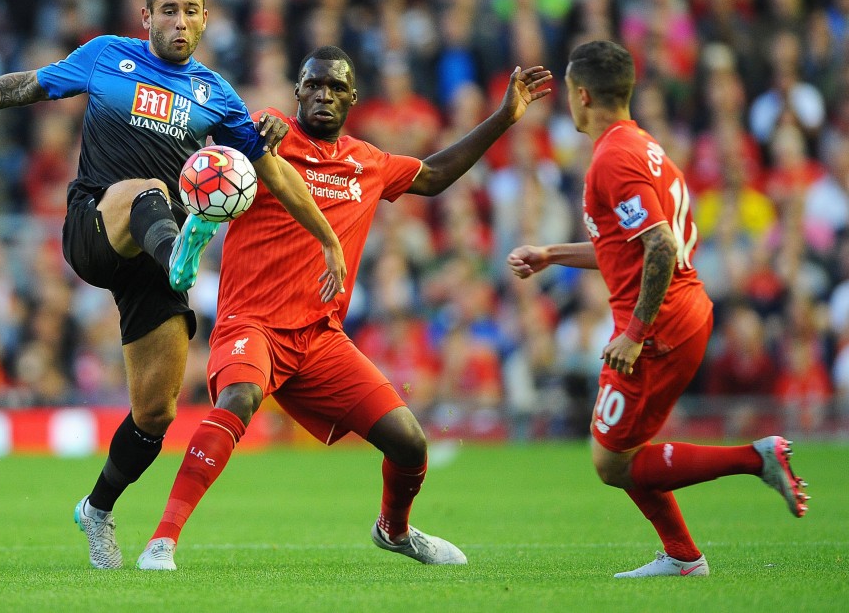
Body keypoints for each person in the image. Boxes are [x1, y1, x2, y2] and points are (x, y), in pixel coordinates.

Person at [0, 0, 347, 570]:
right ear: (146, 17)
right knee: (149, 189)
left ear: (206, 19)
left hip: (156, 262)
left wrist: (329, 241)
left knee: (155, 413)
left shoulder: (218, 96)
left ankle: (97, 509)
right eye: (168, 10)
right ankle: (183, 256)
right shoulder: (107, 57)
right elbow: (29, 84)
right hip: (98, 221)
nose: (179, 21)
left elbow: (276, 172)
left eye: (190, 11)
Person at [131, 45, 553, 570]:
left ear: (353, 97)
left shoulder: (368, 163)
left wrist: (505, 117)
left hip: (319, 339)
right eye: (313, 85)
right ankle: (162, 541)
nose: (323, 95)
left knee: (410, 444)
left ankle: (394, 531)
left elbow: (436, 175)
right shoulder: (265, 141)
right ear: (298, 92)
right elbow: (226, 143)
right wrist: (258, 132)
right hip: (252, 324)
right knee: (238, 397)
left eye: (335, 87)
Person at [507, 40, 809, 579]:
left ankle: (755, 460)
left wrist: (636, 332)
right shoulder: (643, 146)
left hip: (661, 323)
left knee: (610, 460)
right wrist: (552, 254)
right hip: (680, 312)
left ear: (581, 96)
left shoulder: (613, 159)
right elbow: (628, 245)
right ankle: (683, 557)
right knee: (622, 453)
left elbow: (662, 247)